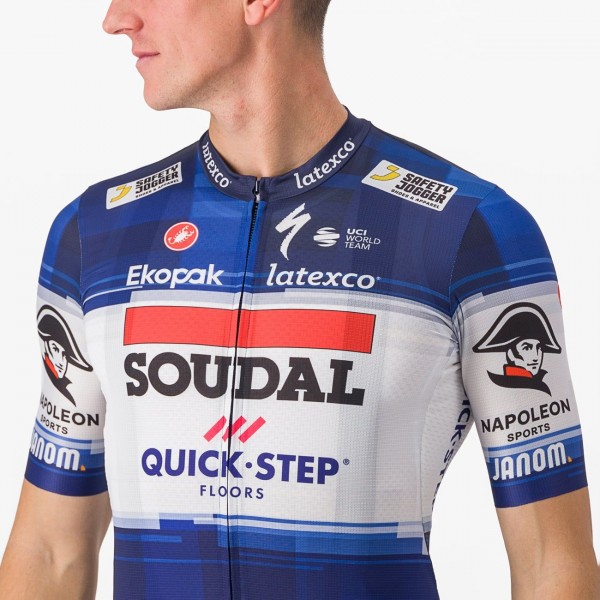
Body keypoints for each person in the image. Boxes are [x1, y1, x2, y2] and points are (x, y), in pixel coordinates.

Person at [0, 1, 598, 599]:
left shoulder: (466, 228)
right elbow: (51, 551)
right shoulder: (97, 232)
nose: (116, 18)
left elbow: (552, 562)